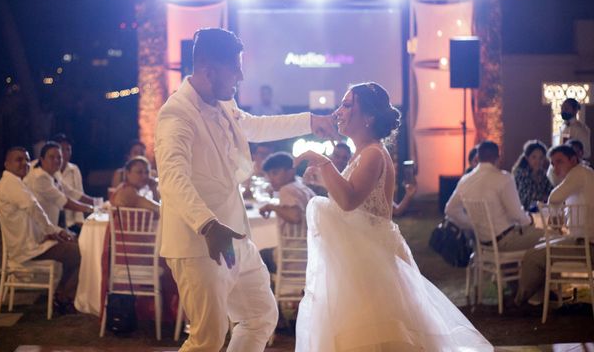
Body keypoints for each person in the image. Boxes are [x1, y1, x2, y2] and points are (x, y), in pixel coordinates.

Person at [154, 27, 336, 352]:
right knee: (207, 340)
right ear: (209, 70)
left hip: (237, 238)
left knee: (260, 317)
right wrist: (207, 224)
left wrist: (310, 122)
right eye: (234, 67)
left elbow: (254, 125)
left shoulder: (223, 102)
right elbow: (172, 177)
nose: (241, 74)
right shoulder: (176, 115)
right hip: (201, 244)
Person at [294, 82, 492, 351]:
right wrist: (322, 179)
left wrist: (321, 160)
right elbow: (351, 200)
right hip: (360, 255)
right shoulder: (361, 154)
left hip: (372, 259)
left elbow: (349, 200)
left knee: (379, 333)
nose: (339, 111)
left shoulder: (374, 153)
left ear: (369, 117)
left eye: (348, 104)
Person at [0, 147, 81, 314]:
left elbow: (34, 217)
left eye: (26, 159)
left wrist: (56, 231)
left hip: (34, 241)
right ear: (7, 164)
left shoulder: (17, 183)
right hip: (27, 248)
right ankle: (64, 297)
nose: (24, 163)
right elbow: (34, 208)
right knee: (79, 253)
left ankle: (62, 295)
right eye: (18, 160)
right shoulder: (10, 183)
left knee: (75, 243)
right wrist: (53, 231)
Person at [515, 145, 594, 306]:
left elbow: (554, 196)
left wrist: (554, 216)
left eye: (560, 162)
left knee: (532, 256)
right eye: (552, 163)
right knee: (541, 246)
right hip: (584, 241)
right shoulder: (586, 173)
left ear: (573, 160)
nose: (555, 167)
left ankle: (520, 302)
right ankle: (537, 300)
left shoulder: (577, 173)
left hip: (586, 246)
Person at [445, 141, 542, 253]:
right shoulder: (504, 178)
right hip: (505, 241)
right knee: (548, 238)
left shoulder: (465, 180)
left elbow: (450, 209)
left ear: (477, 157)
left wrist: (472, 225)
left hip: (481, 243)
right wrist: (530, 221)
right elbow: (516, 215)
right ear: (498, 157)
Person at [258, 152, 315, 273]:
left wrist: (271, 207)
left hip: (294, 256)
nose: (271, 178)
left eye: (275, 173)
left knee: (257, 259)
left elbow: (295, 217)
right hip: (311, 252)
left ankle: (272, 291)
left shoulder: (287, 189)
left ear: (291, 171)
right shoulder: (304, 188)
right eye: (268, 174)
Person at [24, 141, 93, 228]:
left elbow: (71, 192)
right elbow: (63, 201)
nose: (56, 160)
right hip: (39, 231)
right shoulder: (40, 178)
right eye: (51, 157)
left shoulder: (54, 174)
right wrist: (91, 209)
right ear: (42, 160)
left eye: (59, 157)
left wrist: (96, 203)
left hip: (52, 227)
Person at [53, 133, 95, 233]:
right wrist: (93, 205)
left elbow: (79, 193)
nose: (65, 153)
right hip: (54, 221)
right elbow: (69, 193)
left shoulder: (74, 169)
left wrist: (79, 222)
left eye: (68, 149)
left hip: (71, 222)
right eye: (62, 149)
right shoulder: (49, 171)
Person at [511, 140, 553, 211]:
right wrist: (542, 198)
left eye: (541, 158)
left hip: (539, 213)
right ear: (527, 158)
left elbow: (551, 193)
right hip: (522, 214)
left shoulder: (542, 174)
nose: (538, 161)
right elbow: (525, 200)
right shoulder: (521, 174)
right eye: (534, 157)